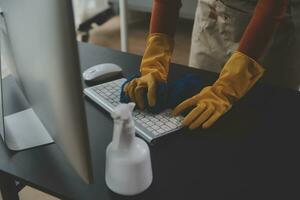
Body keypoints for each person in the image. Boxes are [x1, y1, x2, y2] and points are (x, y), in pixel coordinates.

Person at [123, 0, 300, 130]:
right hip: (211, 16)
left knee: (262, 126)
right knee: (196, 117)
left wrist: (227, 88)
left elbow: (272, 6)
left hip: (268, 32)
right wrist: (154, 63)